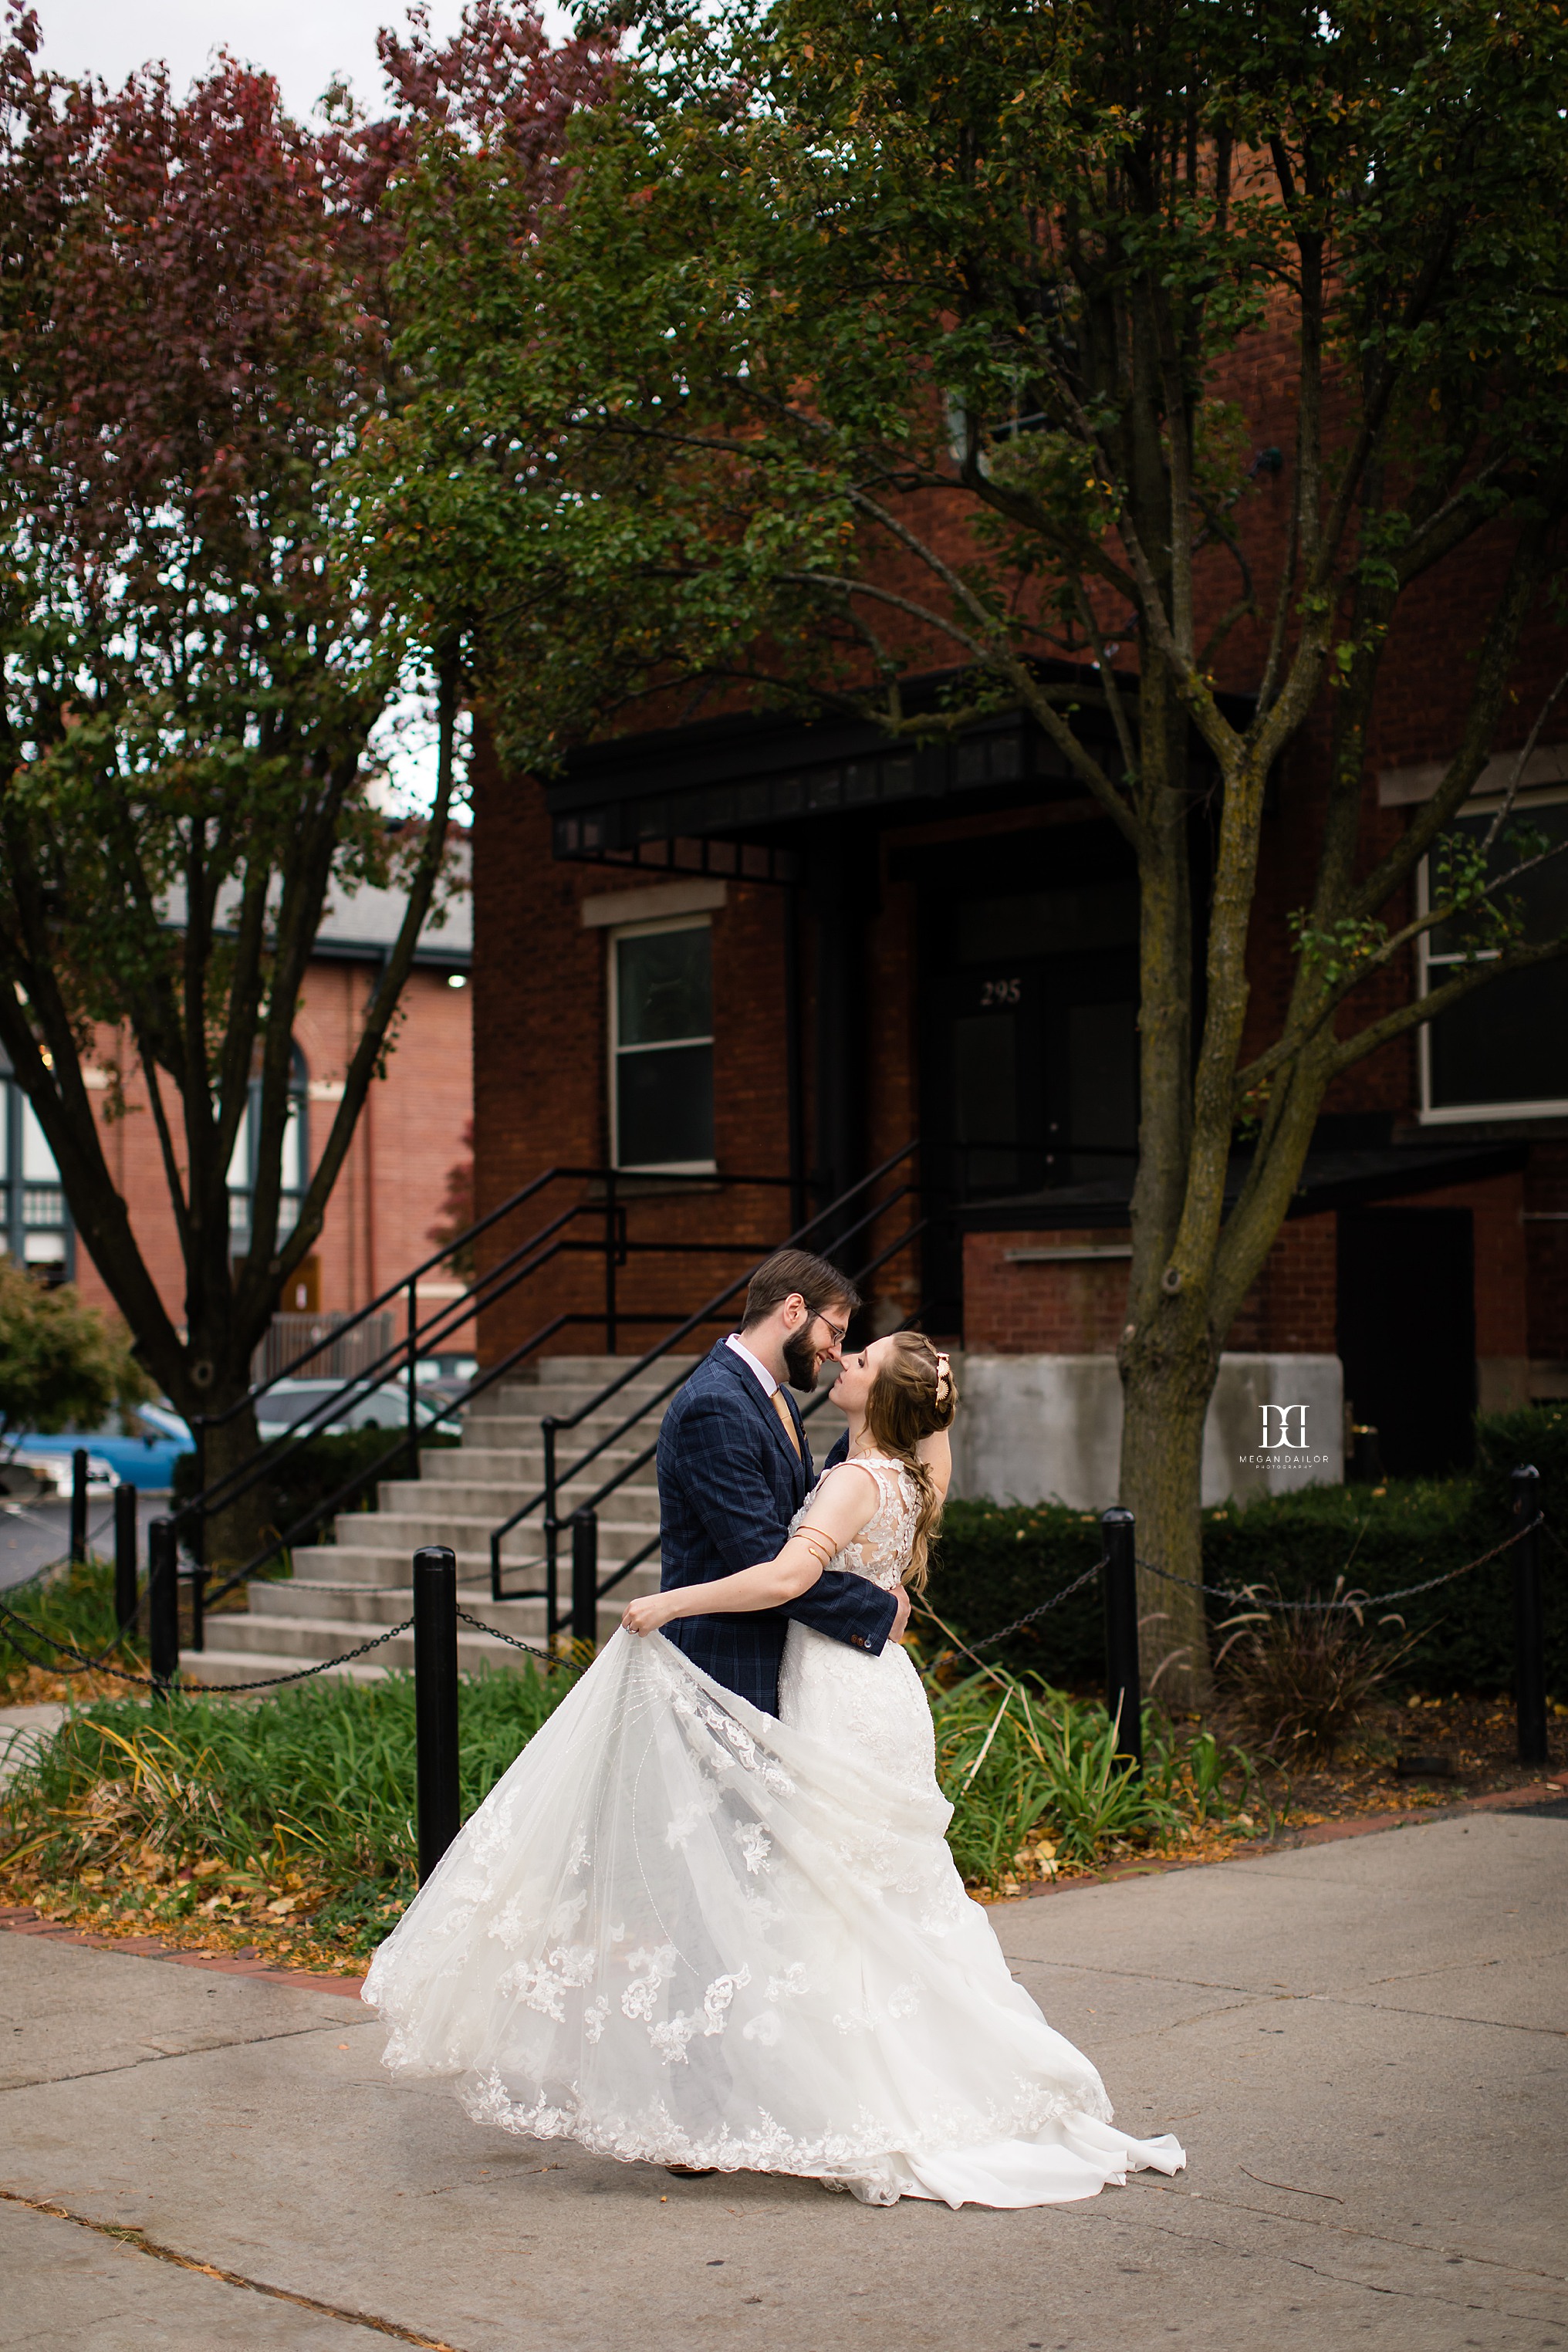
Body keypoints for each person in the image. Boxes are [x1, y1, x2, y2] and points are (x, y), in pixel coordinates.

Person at [363, 1286, 1185, 2209]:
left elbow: (789, 1573)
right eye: (846, 1343)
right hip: (882, 1696)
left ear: (878, 1398)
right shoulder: (908, 1477)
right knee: (881, 1896)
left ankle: (857, 2094)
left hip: (835, 1689)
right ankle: (899, 2079)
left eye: (861, 1359)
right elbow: (928, 1457)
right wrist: (931, 1398)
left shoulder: (847, 1478)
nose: (843, 1359)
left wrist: (669, 1603)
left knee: (831, 1897)